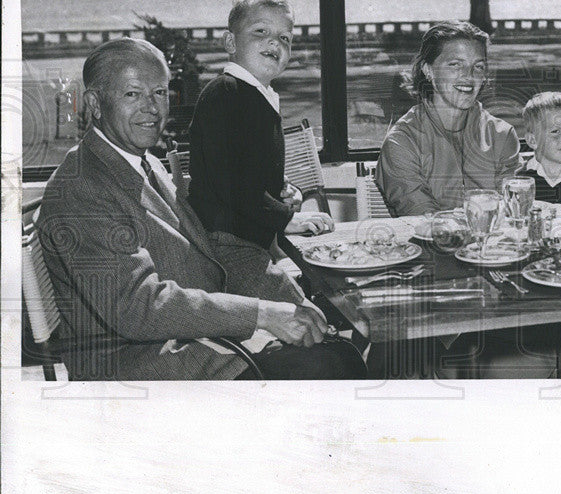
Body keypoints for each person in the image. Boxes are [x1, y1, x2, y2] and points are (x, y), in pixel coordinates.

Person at [36, 38, 365, 381]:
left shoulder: (142, 163)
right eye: (132, 94)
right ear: (95, 104)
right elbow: (139, 307)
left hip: (183, 339)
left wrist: (287, 299)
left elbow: (211, 248)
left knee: (339, 350)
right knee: (332, 365)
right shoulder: (81, 188)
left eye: (160, 93)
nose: (151, 108)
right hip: (135, 365)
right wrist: (263, 314)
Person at [187, 0, 333, 278]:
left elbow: (247, 170)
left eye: (284, 38)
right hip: (223, 248)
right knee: (308, 309)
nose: (274, 42)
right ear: (230, 42)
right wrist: (286, 217)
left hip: (249, 239)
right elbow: (230, 183)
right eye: (261, 31)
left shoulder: (255, 96)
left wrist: (279, 189)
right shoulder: (225, 93)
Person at [375, 21, 520, 216]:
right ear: (428, 70)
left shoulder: (502, 135)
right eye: (455, 65)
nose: (468, 76)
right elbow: (423, 217)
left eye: (478, 67)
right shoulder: (402, 142)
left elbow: (514, 209)